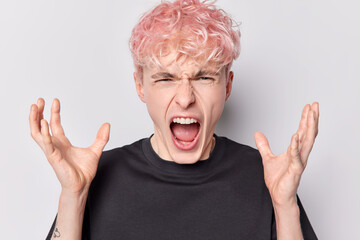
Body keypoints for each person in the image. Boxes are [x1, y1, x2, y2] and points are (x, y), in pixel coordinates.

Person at [29, 0, 319, 239]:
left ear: (227, 86)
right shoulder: (94, 178)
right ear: (141, 86)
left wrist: (284, 205)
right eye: (165, 78)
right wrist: (73, 196)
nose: (185, 98)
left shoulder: (267, 179)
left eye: (204, 77)